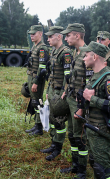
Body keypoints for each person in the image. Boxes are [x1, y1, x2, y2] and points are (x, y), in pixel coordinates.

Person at [81, 41, 110, 179]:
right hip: (93, 128)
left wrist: (92, 99)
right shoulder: (95, 76)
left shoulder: (109, 78)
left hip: (102, 130)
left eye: (86, 55)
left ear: (95, 57)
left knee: (102, 169)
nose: (83, 58)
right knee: (95, 163)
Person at [59, 23, 88, 178]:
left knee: (80, 136)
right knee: (72, 134)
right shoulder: (75, 53)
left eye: (68, 35)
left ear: (77, 35)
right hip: (71, 98)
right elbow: (72, 76)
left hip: (80, 102)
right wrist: (65, 91)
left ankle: (82, 170)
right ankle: (75, 165)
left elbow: (91, 83)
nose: (65, 38)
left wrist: (82, 106)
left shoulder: (88, 53)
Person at [40, 26, 72, 161]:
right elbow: (51, 74)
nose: (47, 39)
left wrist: (65, 91)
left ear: (59, 37)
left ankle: (58, 148)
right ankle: (54, 144)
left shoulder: (65, 53)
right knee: (52, 119)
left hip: (60, 92)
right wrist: (48, 90)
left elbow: (68, 76)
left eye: (50, 36)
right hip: (52, 90)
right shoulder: (54, 51)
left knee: (59, 121)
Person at [24, 25, 49, 136]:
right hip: (31, 76)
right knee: (34, 102)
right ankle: (36, 125)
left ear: (40, 34)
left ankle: (39, 127)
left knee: (37, 102)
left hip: (37, 78)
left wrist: (36, 82)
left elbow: (42, 67)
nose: (31, 35)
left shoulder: (42, 48)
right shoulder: (35, 46)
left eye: (34, 33)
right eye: (30, 34)